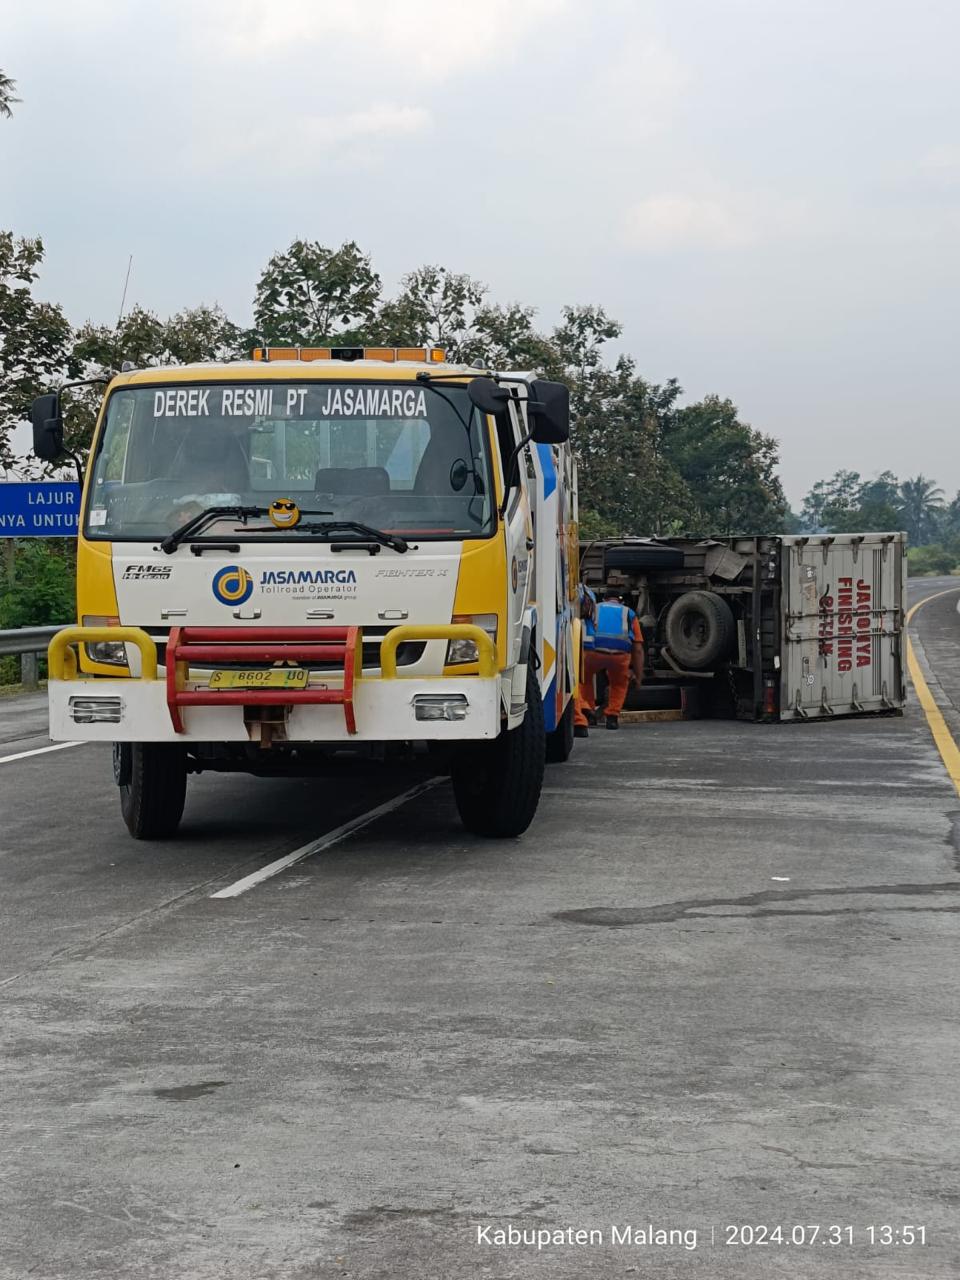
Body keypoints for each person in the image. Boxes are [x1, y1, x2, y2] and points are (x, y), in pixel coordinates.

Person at [580, 587, 644, 730]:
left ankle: (588, 711)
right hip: (619, 656)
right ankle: (612, 717)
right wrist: (638, 677)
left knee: (584, 679)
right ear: (621, 601)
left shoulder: (594, 608)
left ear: (604, 599)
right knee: (619, 684)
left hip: (593, 653)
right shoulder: (629, 613)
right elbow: (638, 649)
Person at [573, 583, 597, 739]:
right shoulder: (589, 593)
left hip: (576, 639)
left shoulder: (573, 588)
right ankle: (588, 707)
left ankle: (581, 713)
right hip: (589, 641)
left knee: (574, 681)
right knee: (585, 681)